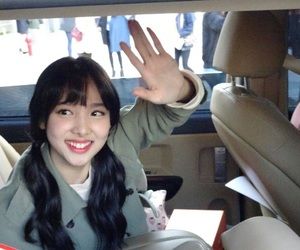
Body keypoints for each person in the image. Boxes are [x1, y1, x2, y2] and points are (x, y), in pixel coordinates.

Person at [0, 20, 205, 249]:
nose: (82, 128)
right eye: (65, 111)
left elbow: (170, 113)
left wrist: (180, 89)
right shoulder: (12, 217)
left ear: (109, 119)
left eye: (96, 112)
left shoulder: (116, 139)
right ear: (42, 119)